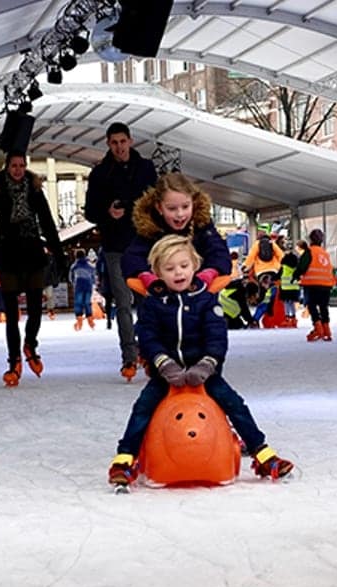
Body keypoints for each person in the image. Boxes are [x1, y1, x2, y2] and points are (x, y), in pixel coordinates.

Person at [108, 235, 293, 488]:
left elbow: (216, 336)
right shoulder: (153, 303)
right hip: (166, 374)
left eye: (184, 266)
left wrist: (207, 364)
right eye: (170, 268)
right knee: (143, 407)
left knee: (234, 404)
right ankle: (126, 458)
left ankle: (261, 453)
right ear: (157, 272)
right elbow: (148, 336)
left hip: (204, 372)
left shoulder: (206, 299)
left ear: (194, 266)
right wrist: (163, 363)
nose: (178, 273)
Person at [0, 151, 65, 387]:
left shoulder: (35, 189)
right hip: (8, 254)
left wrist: (58, 253)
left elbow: (47, 222)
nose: (18, 170)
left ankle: (30, 345)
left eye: (21, 165)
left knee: (35, 308)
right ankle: (14, 361)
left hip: (32, 253)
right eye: (14, 165)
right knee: (11, 314)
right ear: (7, 167)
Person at [84, 122, 158, 381]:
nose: (119, 147)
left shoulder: (146, 168)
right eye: (114, 143)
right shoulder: (100, 174)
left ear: (130, 141)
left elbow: (156, 203)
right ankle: (129, 356)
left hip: (143, 244)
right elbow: (90, 211)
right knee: (123, 304)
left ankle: (149, 351)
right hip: (115, 245)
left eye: (122, 142)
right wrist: (107, 213)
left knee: (147, 302)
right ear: (108, 144)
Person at [122, 171, 231, 297]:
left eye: (185, 206)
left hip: (199, 294)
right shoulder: (150, 228)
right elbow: (131, 258)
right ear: (159, 208)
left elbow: (219, 252)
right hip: (161, 297)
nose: (180, 214)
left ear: (193, 203)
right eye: (172, 208)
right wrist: (147, 277)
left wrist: (210, 273)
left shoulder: (202, 225)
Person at [292, 229, 336, 342]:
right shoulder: (325, 253)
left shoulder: (309, 252)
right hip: (326, 284)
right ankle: (327, 330)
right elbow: (329, 268)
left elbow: (302, 266)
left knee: (311, 305)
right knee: (323, 307)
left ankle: (318, 328)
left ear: (310, 239)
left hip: (312, 283)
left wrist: (295, 275)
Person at [69, 248, 96, 331]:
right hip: (88, 286)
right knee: (87, 303)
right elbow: (93, 275)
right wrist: (93, 283)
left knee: (78, 303)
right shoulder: (89, 265)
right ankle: (90, 320)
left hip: (79, 286)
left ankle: (79, 319)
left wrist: (73, 283)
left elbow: (71, 277)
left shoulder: (74, 266)